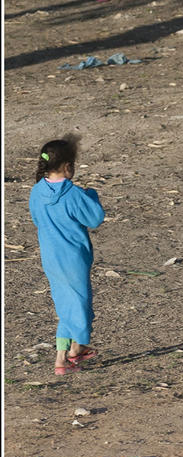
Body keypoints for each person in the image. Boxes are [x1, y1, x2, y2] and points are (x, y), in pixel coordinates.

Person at [29, 135, 105, 376]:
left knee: (66, 305)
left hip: (51, 259)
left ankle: (60, 359)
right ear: (68, 166)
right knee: (80, 304)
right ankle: (78, 347)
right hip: (74, 259)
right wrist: (91, 195)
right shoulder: (73, 194)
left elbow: (36, 220)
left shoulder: (36, 192)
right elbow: (95, 218)